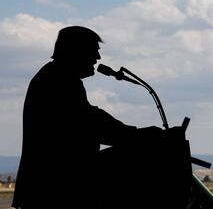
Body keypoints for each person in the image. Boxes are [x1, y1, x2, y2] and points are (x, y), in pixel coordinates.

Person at [12, 26, 164, 208]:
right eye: (93, 51)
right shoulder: (58, 80)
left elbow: (91, 118)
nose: (98, 58)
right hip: (54, 191)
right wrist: (138, 136)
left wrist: (134, 135)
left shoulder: (57, 77)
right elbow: (91, 123)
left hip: (50, 189)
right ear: (76, 51)